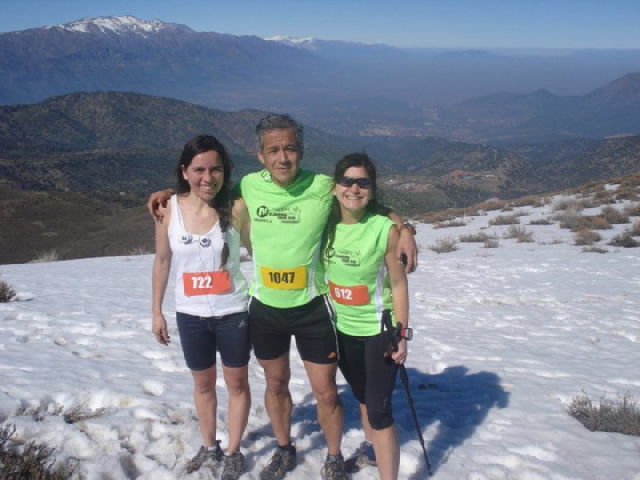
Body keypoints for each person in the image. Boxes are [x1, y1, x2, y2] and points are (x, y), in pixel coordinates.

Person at [148, 114, 418, 480]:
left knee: (326, 393)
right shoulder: (249, 186)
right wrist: (169, 196)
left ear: (301, 151)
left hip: (312, 309)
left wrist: (405, 228)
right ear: (260, 155)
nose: (282, 157)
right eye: (273, 150)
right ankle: (283, 447)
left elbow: (362, 199)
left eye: (290, 148)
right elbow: (204, 192)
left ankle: (334, 456)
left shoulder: (322, 187)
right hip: (266, 311)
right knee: (276, 385)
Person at [151, 135, 252, 480]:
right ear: (184, 172)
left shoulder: (237, 207)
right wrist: (156, 311)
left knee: (237, 385)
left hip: (232, 311)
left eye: (215, 170)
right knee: (203, 385)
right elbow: (162, 261)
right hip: (190, 314)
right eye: (199, 170)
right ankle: (210, 446)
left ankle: (233, 451)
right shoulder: (168, 210)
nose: (208, 178)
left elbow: (264, 245)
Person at [322, 153, 409, 480]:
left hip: (378, 332)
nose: (354, 188)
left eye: (363, 182)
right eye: (347, 181)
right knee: (361, 396)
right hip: (342, 331)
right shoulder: (326, 225)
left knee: (379, 412)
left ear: (372, 190)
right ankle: (372, 451)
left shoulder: (384, 229)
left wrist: (402, 332)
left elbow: (398, 283)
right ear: (335, 187)